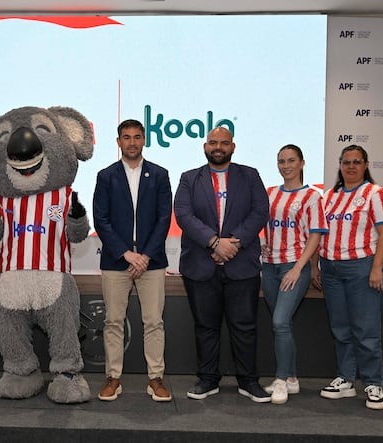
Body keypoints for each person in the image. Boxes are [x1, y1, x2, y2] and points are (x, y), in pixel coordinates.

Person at [173, 126, 271, 403]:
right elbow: (183, 214)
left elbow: (260, 211)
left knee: (245, 326)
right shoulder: (190, 178)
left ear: (233, 147)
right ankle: (207, 379)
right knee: (206, 326)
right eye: (213, 142)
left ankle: (248, 381)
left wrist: (233, 243)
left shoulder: (249, 175)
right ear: (205, 146)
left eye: (224, 143)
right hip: (200, 265)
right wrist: (215, 243)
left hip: (241, 265)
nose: (218, 147)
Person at [93, 119, 173, 402]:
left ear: (144, 140)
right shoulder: (106, 176)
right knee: (113, 321)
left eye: (137, 137)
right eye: (126, 137)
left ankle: (156, 379)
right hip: (117, 261)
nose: (132, 142)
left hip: (152, 260)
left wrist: (145, 256)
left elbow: (164, 218)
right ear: (118, 142)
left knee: (154, 322)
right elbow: (101, 220)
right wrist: (126, 253)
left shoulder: (160, 175)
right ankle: (113, 378)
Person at [316, 144, 383, 410]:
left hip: (362, 267)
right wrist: (316, 265)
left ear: (366, 165)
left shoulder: (376, 194)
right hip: (331, 268)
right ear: (340, 165)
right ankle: (346, 379)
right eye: (346, 162)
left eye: (356, 162)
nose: (351, 166)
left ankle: (373, 383)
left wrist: (376, 268)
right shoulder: (328, 196)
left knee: (366, 330)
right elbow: (319, 233)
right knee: (340, 327)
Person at [261, 144, 327, 404]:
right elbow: (262, 225)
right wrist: (261, 244)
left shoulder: (312, 196)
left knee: (279, 322)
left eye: (291, 161)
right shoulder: (269, 193)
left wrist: (300, 268)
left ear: (302, 163)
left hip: (292, 266)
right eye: (281, 161)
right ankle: (292, 378)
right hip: (268, 265)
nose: (286, 166)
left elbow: (315, 235)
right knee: (282, 325)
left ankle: (280, 379)